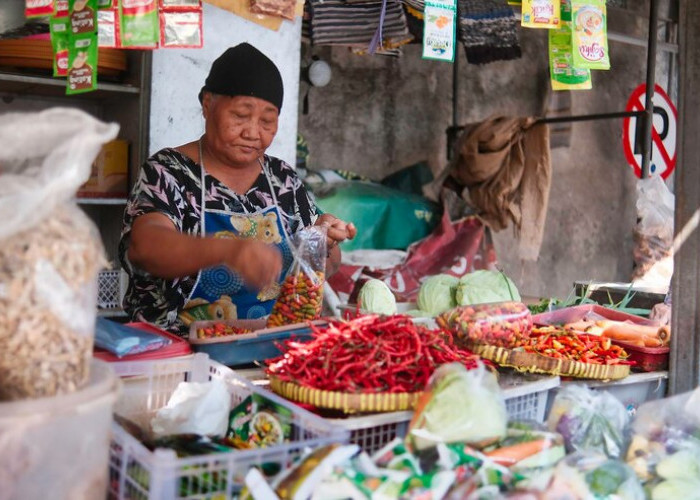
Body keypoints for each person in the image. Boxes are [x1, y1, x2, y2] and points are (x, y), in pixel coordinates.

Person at [119, 43, 356, 335]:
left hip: (266, 348)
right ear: (208, 105)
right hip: (175, 354)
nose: (252, 132)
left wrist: (321, 241)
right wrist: (228, 248)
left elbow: (326, 268)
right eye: (240, 116)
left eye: (267, 121)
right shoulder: (168, 172)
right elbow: (145, 247)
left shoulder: (282, 179)